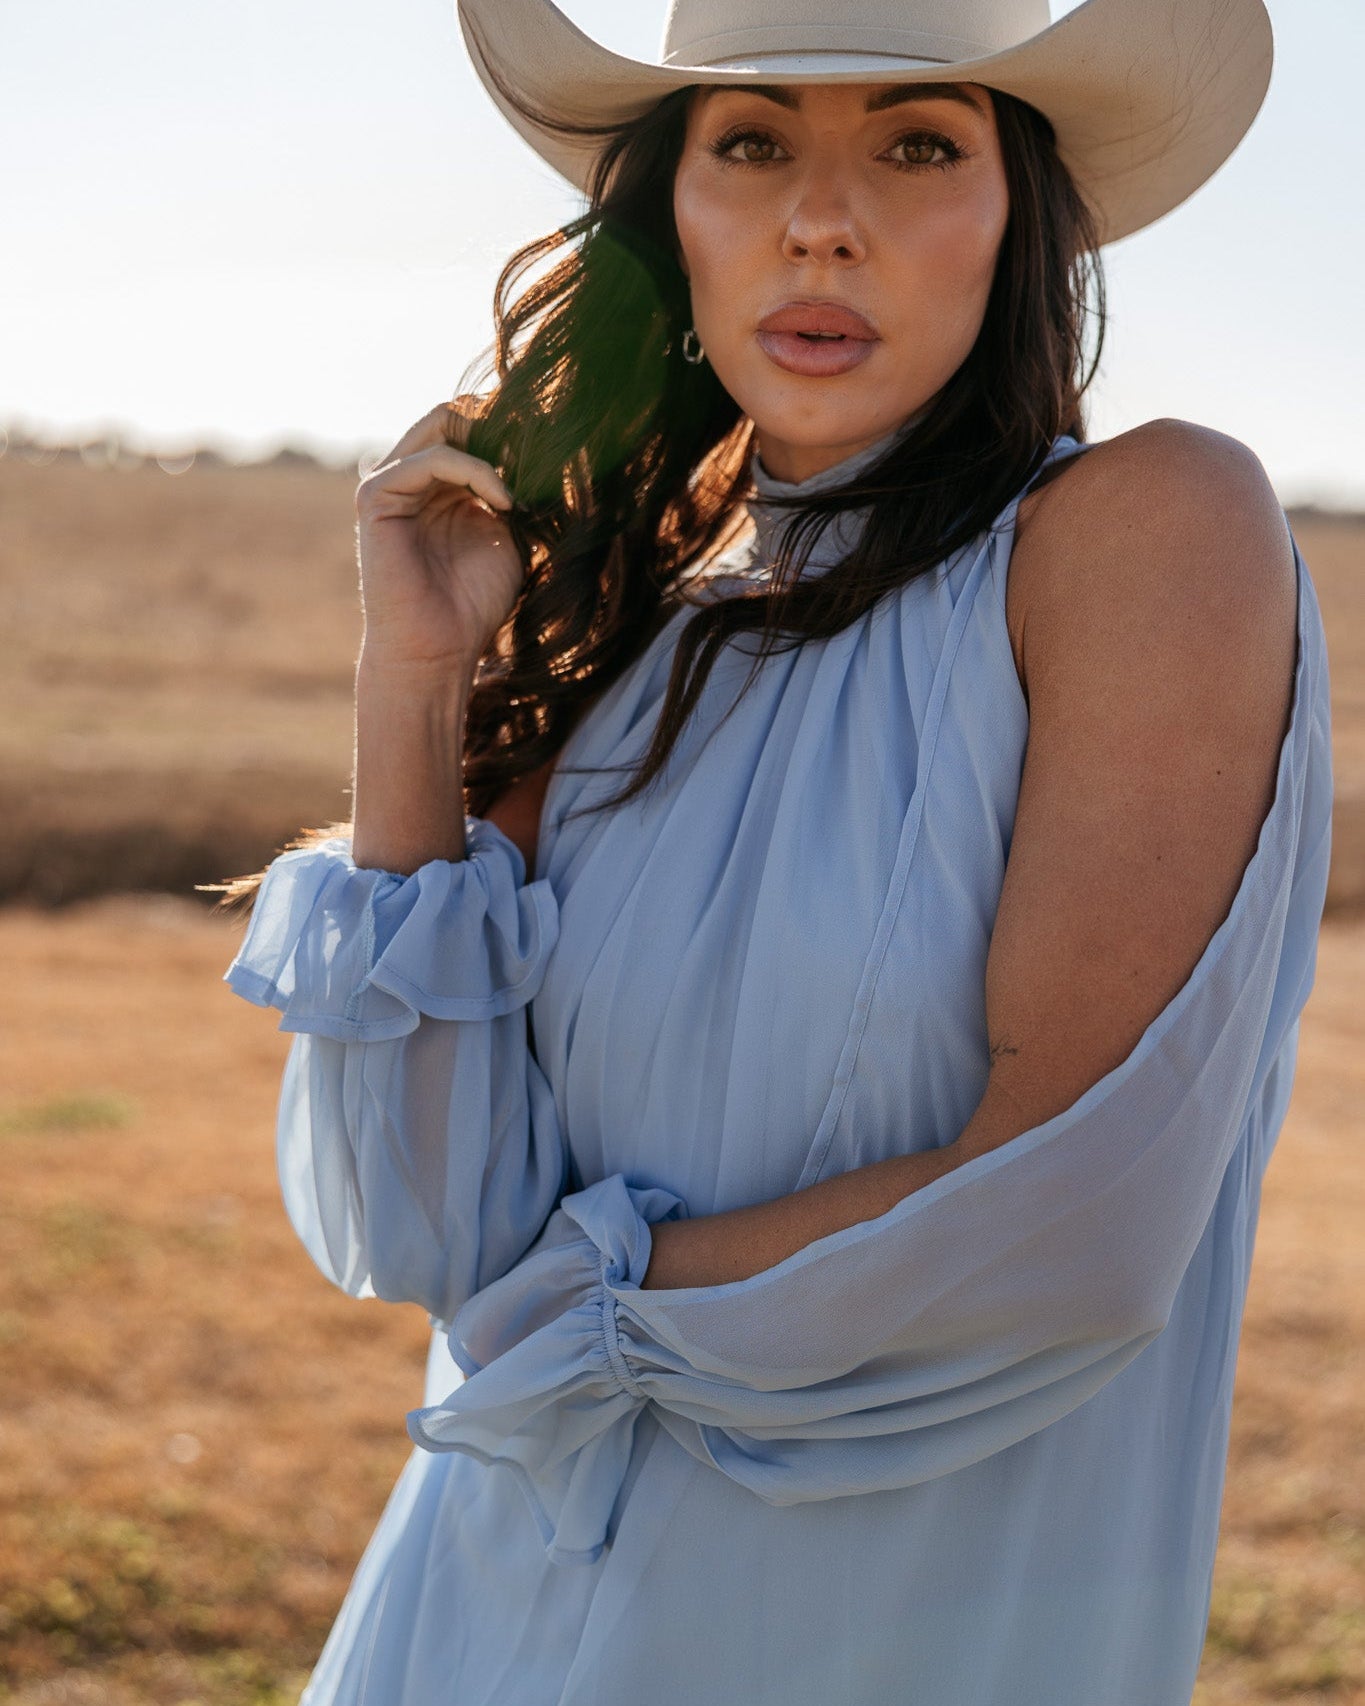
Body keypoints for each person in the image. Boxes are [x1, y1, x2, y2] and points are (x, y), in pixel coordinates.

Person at [218, 0, 1334, 1699]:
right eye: (751, 143)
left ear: (1015, 215)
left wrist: (578, 1300)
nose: (824, 216)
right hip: (473, 1608)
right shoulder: (634, 644)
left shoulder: (1143, 531)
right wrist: (420, 678)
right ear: (672, 211)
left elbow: (1070, 1218)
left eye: (915, 143)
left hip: (881, 1628)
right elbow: (415, 1227)